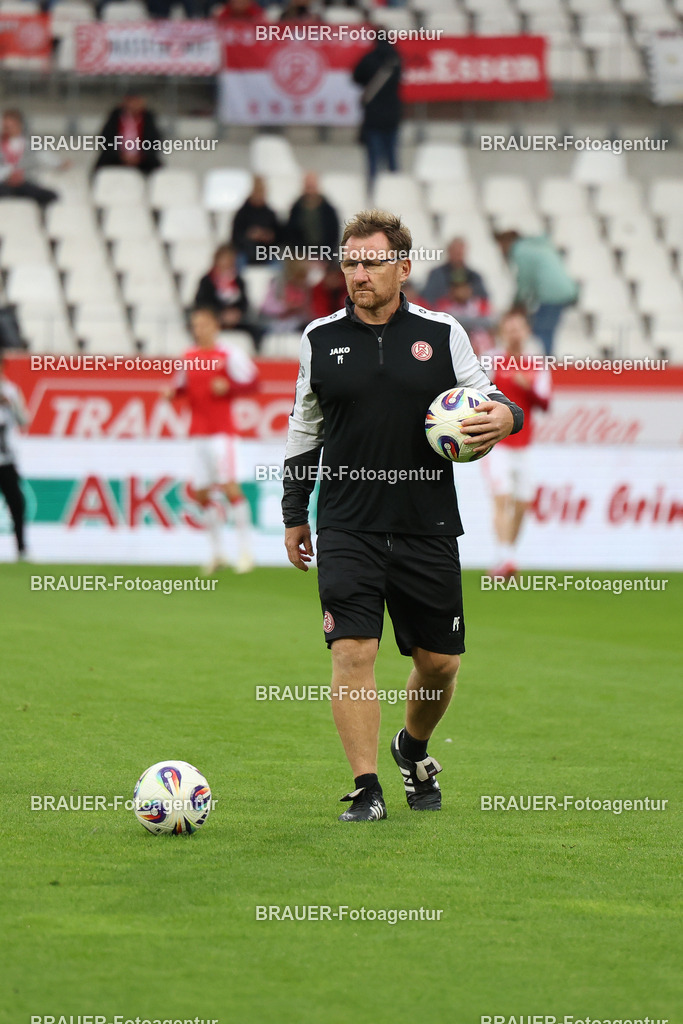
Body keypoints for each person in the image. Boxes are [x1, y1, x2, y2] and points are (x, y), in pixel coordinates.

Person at [282, 209, 524, 822]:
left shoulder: (444, 334)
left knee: (439, 664)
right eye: (350, 262)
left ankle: (412, 749)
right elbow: (303, 431)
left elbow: (491, 397)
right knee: (352, 652)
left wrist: (506, 418)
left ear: (403, 267)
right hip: (347, 524)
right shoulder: (319, 339)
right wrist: (295, 511)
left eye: (371, 261)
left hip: (427, 523)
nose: (359, 273)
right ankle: (366, 788)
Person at [162, 307, 258, 575]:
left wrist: (230, 387)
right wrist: (172, 393)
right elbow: (181, 386)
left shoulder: (228, 354)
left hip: (221, 432)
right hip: (197, 433)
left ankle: (246, 552)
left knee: (230, 488)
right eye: (196, 324)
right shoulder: (189, 357)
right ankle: (217, 552)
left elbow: (253, 383)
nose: (199, 329)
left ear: (215, 326)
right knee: (202, 493)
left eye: (204, 323)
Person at [483, 310, 551, 579]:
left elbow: (545, 402)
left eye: (518, 328)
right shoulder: (491, 359)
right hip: (498, 443)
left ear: (526, 331)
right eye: (509, 328)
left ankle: (507, 556)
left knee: (523, 504)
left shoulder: (536, 364)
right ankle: (505, 557)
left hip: (525, 445)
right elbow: (478, 391)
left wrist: (529, 387)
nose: (514, 333)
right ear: (503, 332)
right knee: (502, 498)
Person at [494, 229, 578, 356]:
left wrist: (517, 303)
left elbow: (524, 280)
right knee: (546, 330)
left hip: (551, 294)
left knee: (541, 331)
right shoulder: (535, 246)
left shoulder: (520, 251)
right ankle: (546, 361)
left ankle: (544, 364)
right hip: (562, 291)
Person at [352, 39, 402, 193]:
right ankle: (395, 193)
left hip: (373, 116)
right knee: (392, 159)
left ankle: (373, 193)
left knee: (373, 160)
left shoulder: (369, 58)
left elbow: (356, 77)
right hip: (392, 116)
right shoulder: (396, 60)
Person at [194, 244, 263, 349]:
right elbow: (202, 303)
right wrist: (220, 315)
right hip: (214, 320)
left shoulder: (239, 281)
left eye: (231, 259)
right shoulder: (207, 281)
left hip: (236, 322)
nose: (227, 263)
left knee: (257, 330)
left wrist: (236, 314)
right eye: (224, 259)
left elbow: (244, 303)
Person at [0, 355, 29, 560]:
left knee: (17, 504)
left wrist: (10, 404)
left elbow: (24, 420)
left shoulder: (11, 391)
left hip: (6, 460)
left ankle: (21, 550)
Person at [0, 109, 59, 208]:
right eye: (6, 127)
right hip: (3, 183)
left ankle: (38, 219)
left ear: (19, 125)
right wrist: (8, 175)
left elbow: (47, 157)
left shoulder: (31, 144)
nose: (7, 130)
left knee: (50, 196)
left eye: (11, 126)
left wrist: (60, 163)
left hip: (25, 183)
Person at [93, 95, 163, 177]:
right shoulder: (115, 117)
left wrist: (141, 156)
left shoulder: (148, 118)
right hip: (116, 157)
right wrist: (120, 155)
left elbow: (155, 141)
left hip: (142, 158)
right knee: (100, 168)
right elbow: (105, 139)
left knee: (157, 169)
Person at [285, 172, 340, 257]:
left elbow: (333, 236)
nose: (310, 191)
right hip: (301, 256)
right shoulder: (296, 209)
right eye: (308, 187)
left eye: (312, 187)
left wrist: (325, 256)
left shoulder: (328, 210)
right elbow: (291, 235)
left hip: (325, 256)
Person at [421, 237, 488, 306]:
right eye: (456, 252)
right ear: (449, 252)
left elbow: (484, 298)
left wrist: (469, 294)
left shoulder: (474, 276)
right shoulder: (436, 274)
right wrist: (451, 295)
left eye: (460, 253)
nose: (458, 256)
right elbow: (428, 297)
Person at [231, 175, 280, 267]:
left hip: (267, 253)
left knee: (279, 261)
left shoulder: (270, 214)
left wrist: (268, 236)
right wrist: (249, 235)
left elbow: (278, 237)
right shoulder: (242, 213)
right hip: (245, 252)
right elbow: (235, 237)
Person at [260, 258, 312, 334]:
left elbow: (310, 312)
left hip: (299, 324)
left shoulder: (307, 288)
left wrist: (301, 308)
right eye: (298, 275)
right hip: (276, 323)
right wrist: (285, 306)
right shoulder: (278, 284)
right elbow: (266, 307)